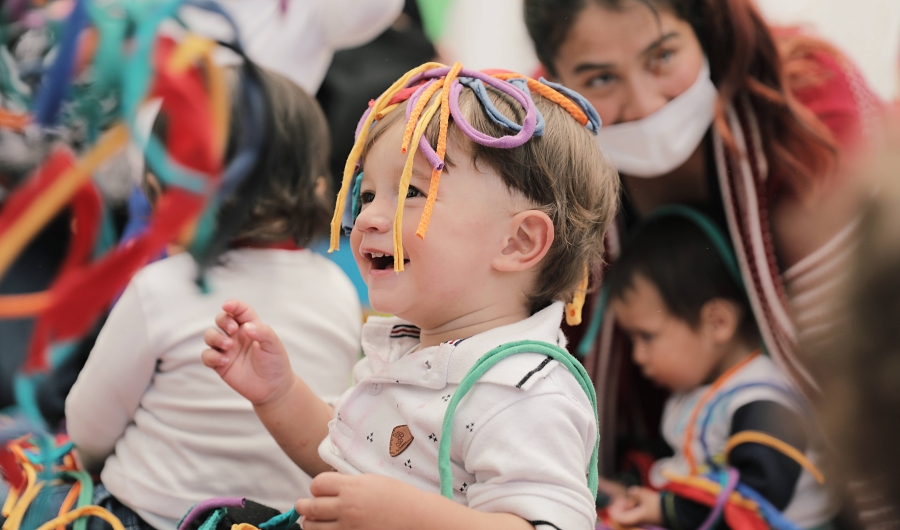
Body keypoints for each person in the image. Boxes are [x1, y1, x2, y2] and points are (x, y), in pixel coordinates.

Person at [202, 63, 619, 530]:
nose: (369, 220)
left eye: (411, 193)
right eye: (368, 195)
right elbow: (346, 467)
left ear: (518, 242)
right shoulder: (409, 346)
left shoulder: (523, 393)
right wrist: (278, 395)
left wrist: (403, 517)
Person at [523, 0, 883, 471]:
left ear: (704, 30)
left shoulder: (809, 101)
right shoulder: (541, 154)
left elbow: (868, 341)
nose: (646, 103)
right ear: (556, 80)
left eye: (663, 56)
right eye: (600, 79)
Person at [65, 66, 362, 530]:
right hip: (278, 521)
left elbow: (88, 428)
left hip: (147, 516)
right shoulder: (340, 289)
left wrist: (82, 462)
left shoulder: (160, 287)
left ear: (164, 196)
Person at [605, 211, 835, 529]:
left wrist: (666, 510)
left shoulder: (763, 400)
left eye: (646, 336)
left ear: (717, 322)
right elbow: (673, 465)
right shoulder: (694, 397)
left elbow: (756, 499)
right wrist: (628, 486)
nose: (638, 356)